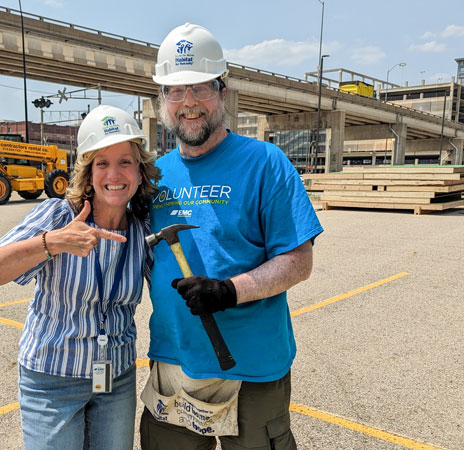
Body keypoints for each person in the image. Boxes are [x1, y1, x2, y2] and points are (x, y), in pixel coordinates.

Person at [139, 23, 324, 450]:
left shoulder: (266, 162)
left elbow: (299, 260)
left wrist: (229, 290)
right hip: (173, 363)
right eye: (176, 91)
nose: (189, 104)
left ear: (222, 92)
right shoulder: (153, 175)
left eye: (201, 89)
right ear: (162, 101)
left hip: (253, 368)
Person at [0, 105, 161, 450]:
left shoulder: (143, 229)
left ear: (140, 170)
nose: (114, 174)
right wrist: (52, 242)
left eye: (125, 161)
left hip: (115, 379)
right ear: (88, 172)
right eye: (102, 163)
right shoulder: (59, 214)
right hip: (51, 379)